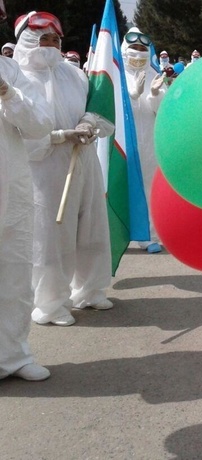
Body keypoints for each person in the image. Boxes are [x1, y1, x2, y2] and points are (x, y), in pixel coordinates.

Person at [14, 11, 115, 327]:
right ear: (27, 41)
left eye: (55, 39)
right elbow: (16, 136)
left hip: (83, 160)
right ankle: (49, 303)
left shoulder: (74, 75)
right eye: (43, 39)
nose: (51, 45)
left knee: (92, 228)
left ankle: (89, 290)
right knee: (51, 237)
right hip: (45, 170)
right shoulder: (16, 80)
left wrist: (88, 123)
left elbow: (96, 110)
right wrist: (58, 136)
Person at [0, 0, 55, 382]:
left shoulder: (9, 71)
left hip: (13, 190)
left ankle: (13, 356)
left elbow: (39, 124)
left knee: (16, 278)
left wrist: (8, 94)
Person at [121, 27, 166, 253]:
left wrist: (155, 95)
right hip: (123, 140)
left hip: (148, 140)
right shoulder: (115, 72)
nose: (138, 53)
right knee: (120, 186)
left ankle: (149, 235)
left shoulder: (154, 74)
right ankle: (118, 235)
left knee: (149, 187)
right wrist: (131, 96)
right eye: (134, 48)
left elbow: (163, 111)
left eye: (142, 49)